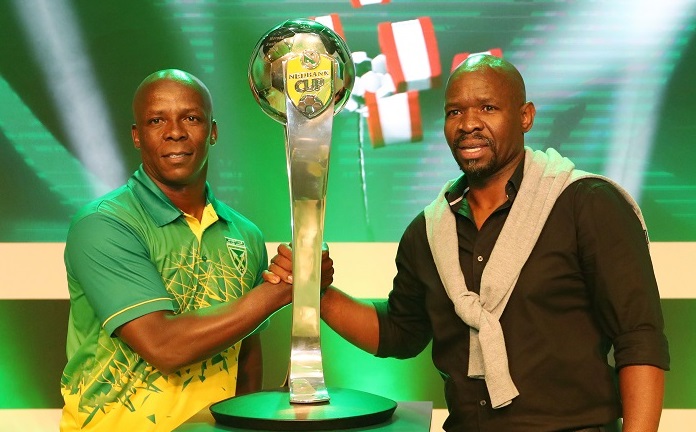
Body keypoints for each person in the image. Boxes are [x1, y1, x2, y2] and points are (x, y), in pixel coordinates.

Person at [266, 55, 670, 432]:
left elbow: (639, 337)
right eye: (454, 111)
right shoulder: (427, 230)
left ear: (525, 117)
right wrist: (316, 291)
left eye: (488, 108)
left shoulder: (587, 204)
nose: (468, 123)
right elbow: (399, 332)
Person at [59, 69, 307, 431]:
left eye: (191, 118)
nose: (175, 132)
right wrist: (279, 290)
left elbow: (247, 355)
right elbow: (163, 347)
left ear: (213, 131)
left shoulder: (245, 233)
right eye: (157, 120)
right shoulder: (103, 224)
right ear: (137, 136)